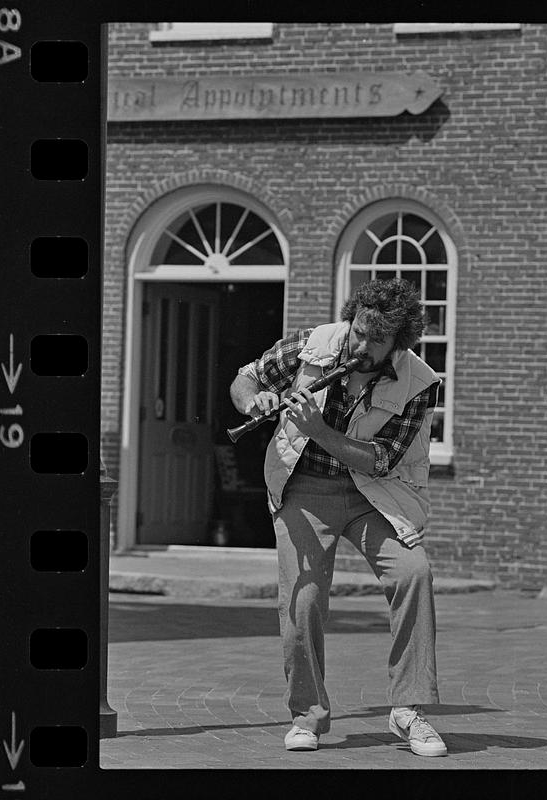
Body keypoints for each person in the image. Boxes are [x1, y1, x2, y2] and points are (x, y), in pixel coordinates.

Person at [229, 277, 447, 757]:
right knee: (304, 598)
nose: (361, 345)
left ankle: (408, 709)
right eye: (360, 330)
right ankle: (307, 716)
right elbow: (245, 378)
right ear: (353, 317)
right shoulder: (311, 344)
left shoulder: (419, 383)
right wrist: (255, 401)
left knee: (415, 574)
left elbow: (380, 459)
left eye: (376, 340)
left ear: (399, 344)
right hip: (303, 487)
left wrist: (319, 429)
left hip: (376, 492)